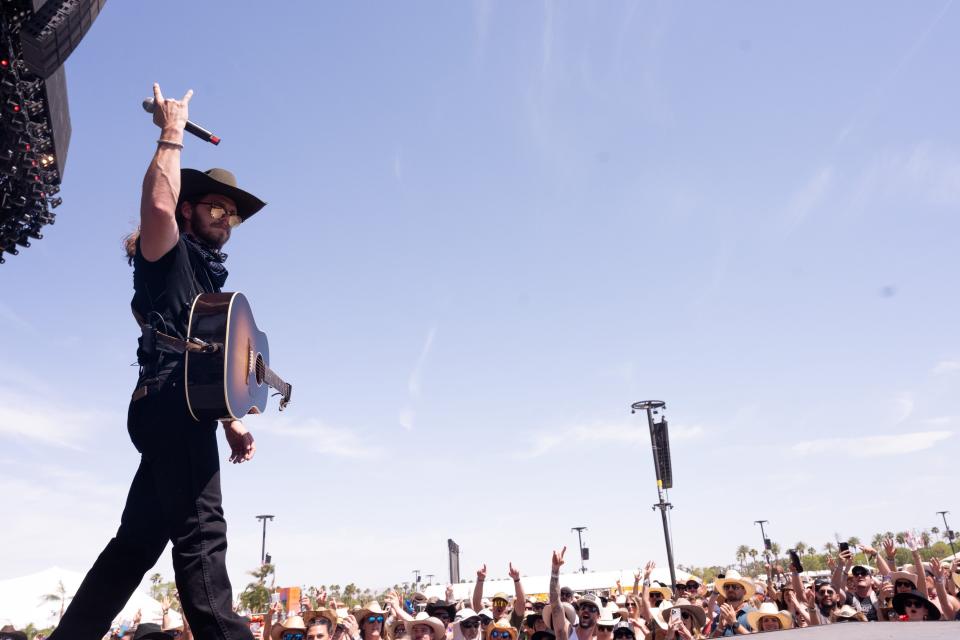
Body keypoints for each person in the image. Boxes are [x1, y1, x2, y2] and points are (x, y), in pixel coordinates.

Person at [48, 83, 265, 640]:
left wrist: (231, 418)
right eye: (217, 205)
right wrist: (172, 132)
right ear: (191, 208)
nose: (226, 217)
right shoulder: (165, 253)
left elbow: (204, 370)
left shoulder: (207, 282)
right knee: (201, 535)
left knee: (136, 544)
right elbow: (158, 204)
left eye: (233, 214)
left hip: (178, 408)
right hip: (171, 412)